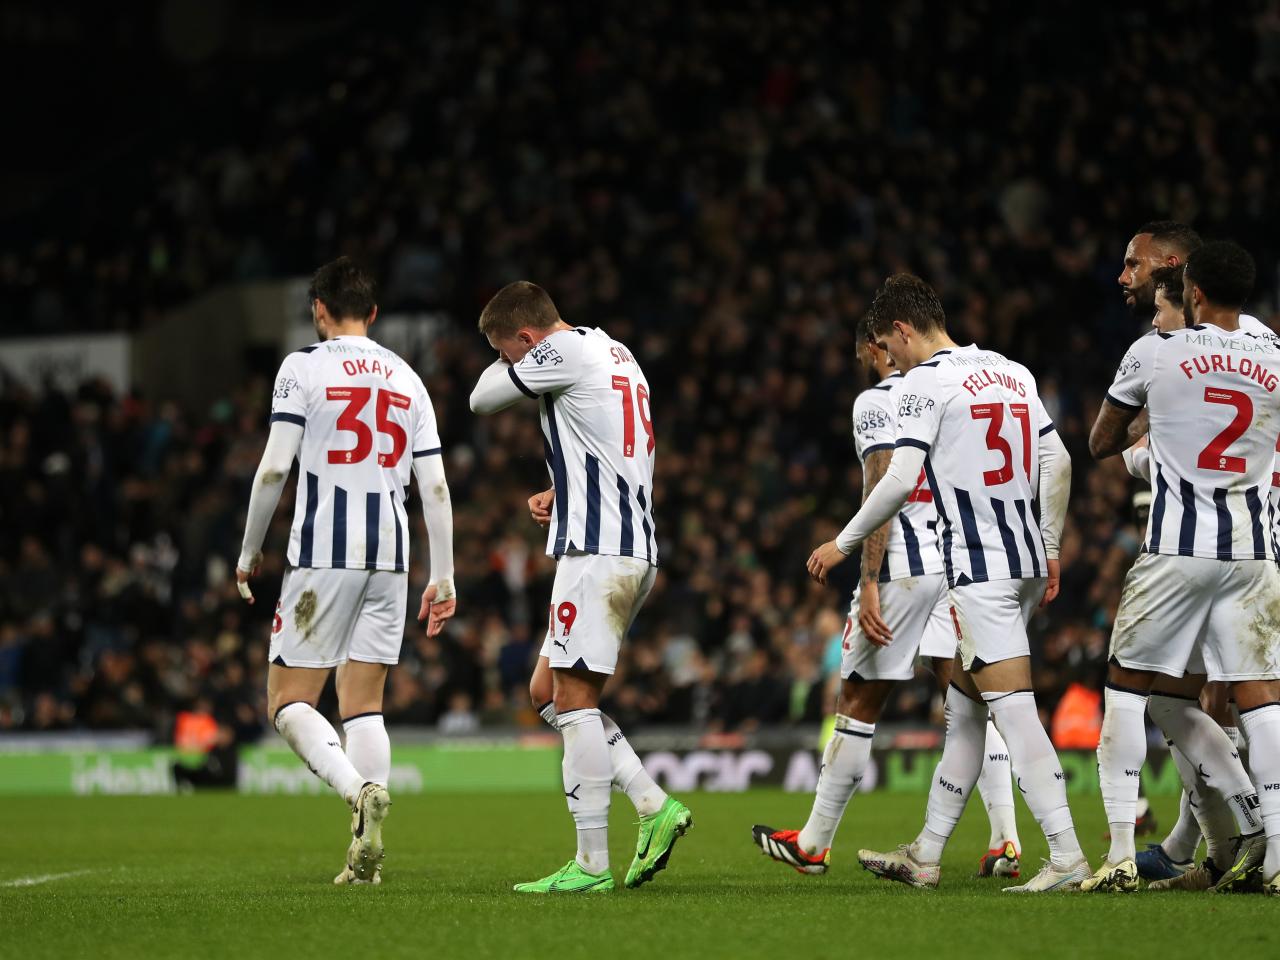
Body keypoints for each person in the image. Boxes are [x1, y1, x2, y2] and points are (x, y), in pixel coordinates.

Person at [807, 273, 1086, 892]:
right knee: (965, 714)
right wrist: (1051, 548)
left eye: (888, 345)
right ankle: (927, 853)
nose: (890, 361)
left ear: (902, 330)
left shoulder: (924, 382)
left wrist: (842, 542)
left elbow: (900, 480)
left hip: (978, 568)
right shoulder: (1011, 370)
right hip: (1023, 560)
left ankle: (1067, 855)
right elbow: (1058, 460)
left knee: (1014, 713)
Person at [750, 316, 1021, 878]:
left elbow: (881, 483)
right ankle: (1005, 840)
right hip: (959, 564)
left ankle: (815, 843)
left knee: (857, 703)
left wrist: (868, 581)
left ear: (876, 346)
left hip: (901, 569)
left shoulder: (877, 401)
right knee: (970, 703)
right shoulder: (952, 388)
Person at [236, 257, 457, 884]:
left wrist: (250, 552)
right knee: (363, 707)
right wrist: (443, 577)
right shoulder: (409, 377)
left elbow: (275, 467)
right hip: (391, 555)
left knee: (288, 701)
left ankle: (359, 791)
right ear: (376, 313)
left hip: (324, 554)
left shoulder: (302, 366)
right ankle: (366, 863)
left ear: (318, 310)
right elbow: (435, 487)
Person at [468, 280, 690, 894]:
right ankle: (652, 804)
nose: (510, 364)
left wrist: (510, 361)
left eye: (508, 350)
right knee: (547, 690)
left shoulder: (561, 351)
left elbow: (479, 400)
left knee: (573, 699)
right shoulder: (617, 352)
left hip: (598, 553)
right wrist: (560, 492)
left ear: (527, 339)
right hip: (624, 544)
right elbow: (607, 445)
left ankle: (590, 864)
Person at [1085, 241, 1278, 895]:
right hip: (1254, 550)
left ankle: (1114, 854)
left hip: (1176, 550)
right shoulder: (1273, 353)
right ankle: (1270, 851)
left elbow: (1101, 442)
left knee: (1126, 687)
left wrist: (1157, 429)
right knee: (1258, 698)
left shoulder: (1156, 352)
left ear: (1193, 292)